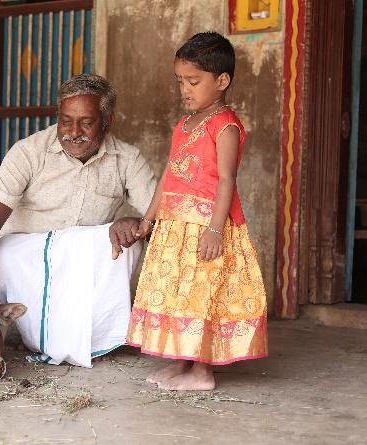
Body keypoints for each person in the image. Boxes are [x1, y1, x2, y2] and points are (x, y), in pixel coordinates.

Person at [0, 74, 156, 368]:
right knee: (73, 242)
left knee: (127, 242)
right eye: (66, 121)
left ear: (107, 121)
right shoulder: (29, 151)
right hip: (24, 257)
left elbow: (162, 216)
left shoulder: (126, 159)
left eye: (86, 123)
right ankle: (48, 339)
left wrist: (136, 223)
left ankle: (97, 340)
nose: (73, 132)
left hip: (80, 259)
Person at [126, 32, 268, 390]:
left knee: (202, 295)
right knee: (179, 294)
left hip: (206, 225)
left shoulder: (226, 125)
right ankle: (182, 361)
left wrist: (215, 230)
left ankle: (203, 372)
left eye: (193, 81)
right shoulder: (183, 125)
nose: (185, 89)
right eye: (180, 82)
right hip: (175, 226)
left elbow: (226, 181)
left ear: (222, 81)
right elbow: (168, 175)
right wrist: (149, 218)